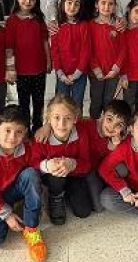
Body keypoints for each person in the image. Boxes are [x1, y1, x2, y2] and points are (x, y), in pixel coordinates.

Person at [35, 98, 132, 213]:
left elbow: (111, 161)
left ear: (124, 128)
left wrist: (115, 146)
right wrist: (47, 126)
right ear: (102, 115)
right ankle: (60, 194)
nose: (112, 127)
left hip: (95, 168)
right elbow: (65, 119)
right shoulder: (85, 126)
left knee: (122, 169)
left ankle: (112, 187)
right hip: (86, 169)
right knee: (98, 207)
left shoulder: (119, 138)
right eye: (109, 119)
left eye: (118, 125)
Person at [0, 105, 47, 262]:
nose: (12, 137)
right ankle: (14, 208)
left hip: (17, 188)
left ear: (25, 133)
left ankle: (31, 229)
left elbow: (37, 169)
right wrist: (7, 215)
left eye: (19, 132)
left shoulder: (27, 149)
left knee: (31, 174)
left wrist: (48, 166)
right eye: (7, 130)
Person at [31, 95, 93, 225]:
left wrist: (73, 164)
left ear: (75, 119)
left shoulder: (81, 133)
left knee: (84, 211)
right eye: (56, 118)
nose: (61, 124)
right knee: (56, 177)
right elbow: (32, 163)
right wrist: (46, 165)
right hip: (53, 177)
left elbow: (87, 164)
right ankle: (56, 196)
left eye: (68, 118)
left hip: (75, 175)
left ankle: (67, 192)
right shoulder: (41, 137)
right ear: (48, 118)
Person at [5, 0, 50, 134]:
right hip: (21, 71)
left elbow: (45, 42)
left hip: (39, 69)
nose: (28, 1)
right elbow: (9, 48)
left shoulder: (39, 19)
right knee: (24, 103)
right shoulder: (12, 21)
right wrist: (10, 69)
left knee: (39, 102)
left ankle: (37, 129)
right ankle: (24, 131)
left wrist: (49, 61)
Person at [88, 0, 126, 119]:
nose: (106, 7)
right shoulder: (90, 26)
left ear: (114, 7)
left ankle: (106, 125)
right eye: (103, 3)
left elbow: (123, 49)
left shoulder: (118, 26)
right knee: (96, 101)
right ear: (96, 5)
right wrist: (96, 69)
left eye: (110, 4)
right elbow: (88, 49)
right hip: (95, 73)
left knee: (109, 102)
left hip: (113, 73)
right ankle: (94, 125)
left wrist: (116, 68)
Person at [50, 0, 90, 106]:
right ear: (63, 3)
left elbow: (86, 51)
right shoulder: (56, 26)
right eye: (69, 2)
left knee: (77, 104)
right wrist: (60, 73)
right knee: (61, 104)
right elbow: (54, 51)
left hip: (79, 74)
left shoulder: (84, 26)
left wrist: (77, 73)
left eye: (77, 4)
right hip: (62, 74)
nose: (72, 7)